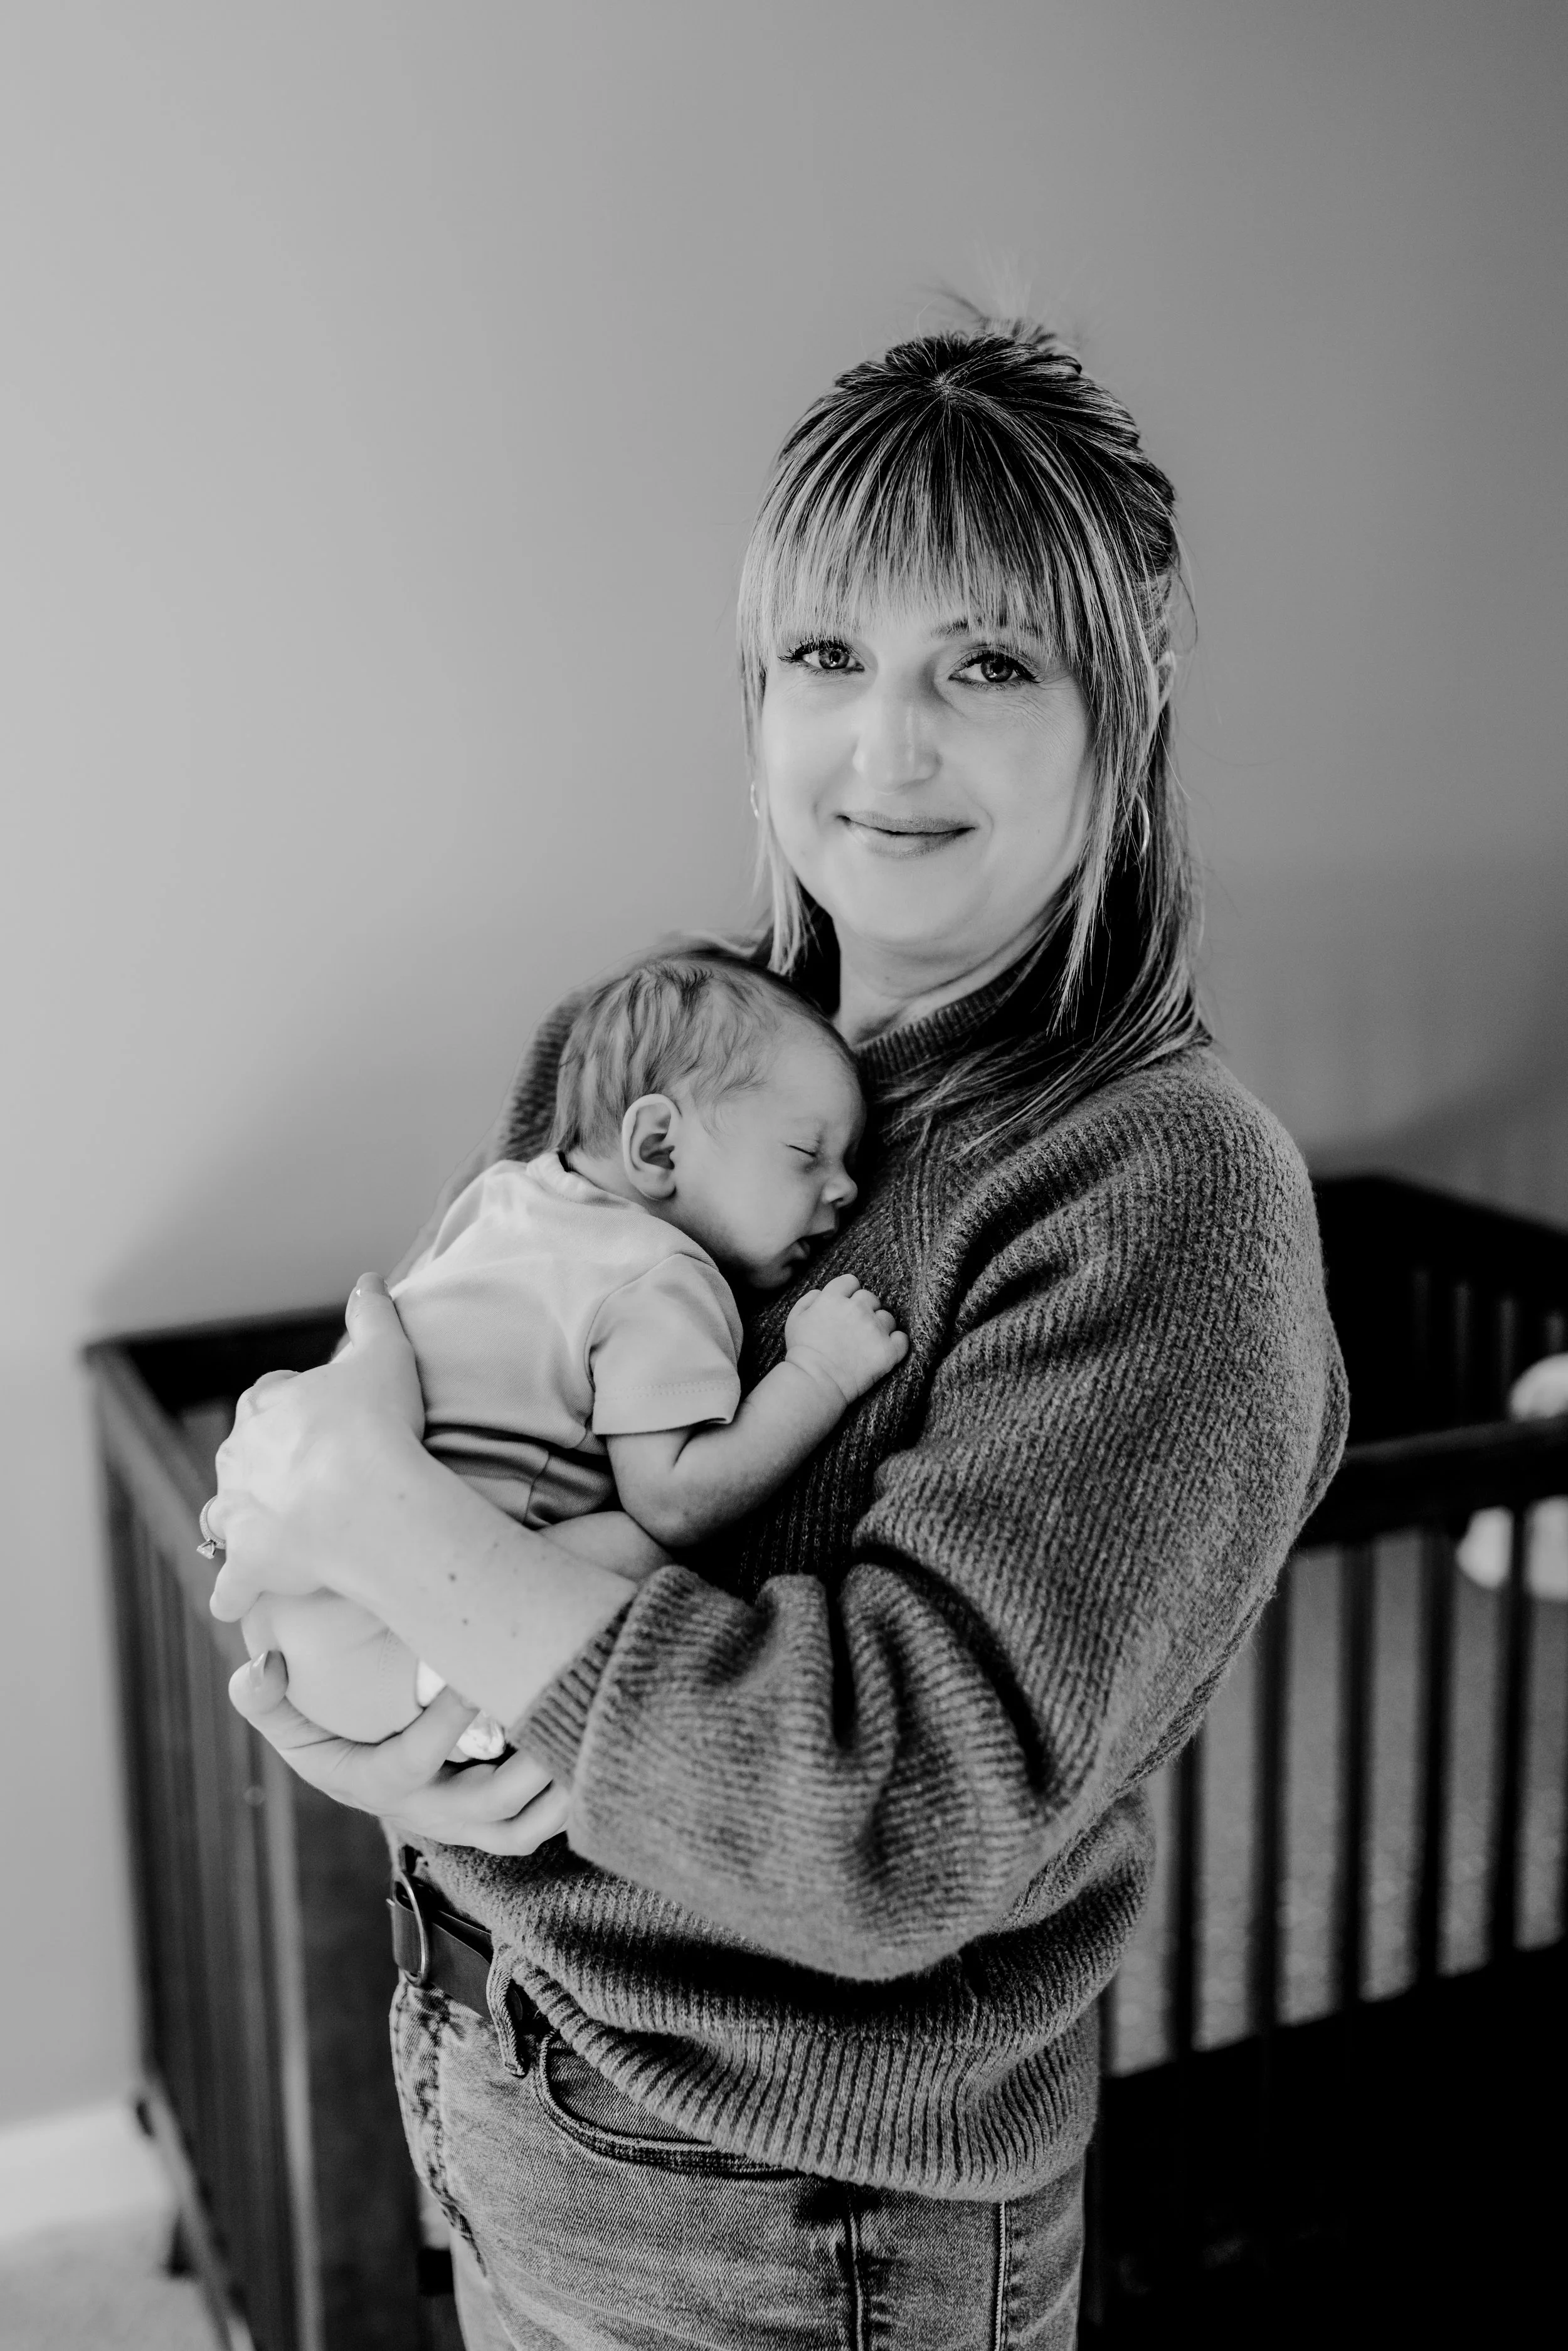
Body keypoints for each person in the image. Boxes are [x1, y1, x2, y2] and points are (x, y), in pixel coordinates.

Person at [205, 313, 1349, 2350]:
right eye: (830, 657)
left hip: (801, 2224)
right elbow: (463, 1472)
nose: (883, 750)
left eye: (983, 662)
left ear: (1130, 680)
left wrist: (381, 1523)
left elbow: (905, 1823)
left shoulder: (1168, 1193)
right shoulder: (644, 1051)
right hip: (499, 2063)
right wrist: (330, 1698)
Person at [243, 955, 907, 1754]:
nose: (844, 1190)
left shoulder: (503, 1194)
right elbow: (674, 1499)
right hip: (411, 1635)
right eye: (808, 1154)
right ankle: (473, 1711)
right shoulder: (661, 1274)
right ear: (658, 1145)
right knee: (638, 1548)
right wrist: (818, 1376)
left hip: (288, 1601)